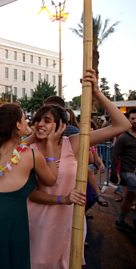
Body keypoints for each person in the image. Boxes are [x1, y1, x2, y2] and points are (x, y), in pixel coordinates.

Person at [28, 69, 131, 269]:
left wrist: (97, 93)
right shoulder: (29, 150)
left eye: (47, 121)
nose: (40, 124)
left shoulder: (74, 143)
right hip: (38, 222)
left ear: (61, 126)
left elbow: (122, 124)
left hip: (69, 220)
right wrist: (62, 199)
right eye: (37, 120)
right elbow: (31, 194)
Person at [0, 103, 59, 269]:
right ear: (17, 124)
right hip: (9, 224)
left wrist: (30, 136)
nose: (28, 123)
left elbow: (18, 144)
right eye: (24, 119)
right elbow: (51, 179)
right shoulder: (31, 155)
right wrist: (51, 144)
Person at [111, 108, 136, 232]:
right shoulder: (123, 138)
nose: (135, 121)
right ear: (129, 120)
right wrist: (113, 173)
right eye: (132, 118)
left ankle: (120, 220)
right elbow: (114, 155)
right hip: (128, 172)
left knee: (129, 198)